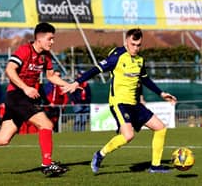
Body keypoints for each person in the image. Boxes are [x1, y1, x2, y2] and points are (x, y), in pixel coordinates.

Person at [69, 28, 177, 173]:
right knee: (128, 135)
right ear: (126, 41)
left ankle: (155, 166)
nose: (136, 48)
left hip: (135, 104)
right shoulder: (116, 56)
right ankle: (100, 154)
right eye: (133, 44)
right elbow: (96, 69)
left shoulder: (140, 60)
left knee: (160, 128)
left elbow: (144, 79)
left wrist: (161, 93)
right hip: (119, 103)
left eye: (139, 45)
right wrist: (77, 82)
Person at [0, 22, 72, 176]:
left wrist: (69, 85)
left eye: (53, 39)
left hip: (23, 98)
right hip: (17, 96)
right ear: (39, 38)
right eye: (50, 39)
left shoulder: (46, 56)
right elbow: (9, 70)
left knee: (2, 139)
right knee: (46, 124)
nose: (52, 42)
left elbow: (51, 76)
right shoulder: (25, 50)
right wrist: (25, 87)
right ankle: (47, 164)